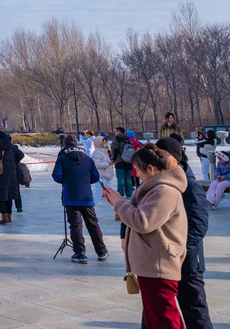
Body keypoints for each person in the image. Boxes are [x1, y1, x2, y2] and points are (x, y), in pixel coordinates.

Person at [104, 147, 188, 329]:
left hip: (159, 263)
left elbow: (143, 221)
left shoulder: (164, 191)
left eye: (138, 170)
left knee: (164, 317)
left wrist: (119, 204)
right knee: (158, 316)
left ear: (150, 169)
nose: (137, 174)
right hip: (153, 262)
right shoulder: (155, 188)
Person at [151, 138, 212, 329]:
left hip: (187, 260)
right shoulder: (156, 180)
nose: (158, 159)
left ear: (175, 158)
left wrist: (179, 250)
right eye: (156, 155)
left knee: (194, 309)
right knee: (155, 311)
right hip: (161, 259)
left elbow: (199, 223)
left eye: (161, 155)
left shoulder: (190, 186)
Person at [52, 135, 108, 264]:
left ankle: (80, 253)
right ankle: (101, 251)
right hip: (86, 196)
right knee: (93, 223)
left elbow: (57, 176)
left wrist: (68, 180)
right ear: (77, 144)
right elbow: (95, 177)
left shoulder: (62, 158)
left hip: (71, 196)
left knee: (76, 225)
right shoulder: (87, 159)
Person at [0, 130, 25, 224]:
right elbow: (21, 155)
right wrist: (13, 163)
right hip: (11, 173)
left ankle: (4, 216)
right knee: (9, 195)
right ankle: (9, 216)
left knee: (0, 195)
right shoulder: (10, 147)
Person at [110, 127, 134, 198]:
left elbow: (114, 150)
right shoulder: (128, 139)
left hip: (120, 161)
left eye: (116, 131)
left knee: (120, 179)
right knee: (128, 179)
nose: (115, 133)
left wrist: (113, 159)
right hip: (129, 161)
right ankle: (129, 194)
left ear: (119, 131)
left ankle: (120, 194)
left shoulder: (116, 139)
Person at [90, 136, 114, 205]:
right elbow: (96, 164)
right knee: (98, 193)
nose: (105, 143)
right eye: (103, 142)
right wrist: (108, 163)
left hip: (107, 176)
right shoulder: (97, 152)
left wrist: (110, 162)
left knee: (111, 192)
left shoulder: (105, 151)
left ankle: (118, 207)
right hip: (101, 176)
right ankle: (91, 206)